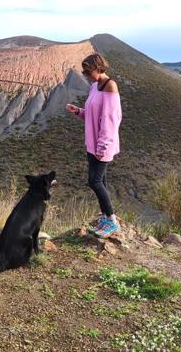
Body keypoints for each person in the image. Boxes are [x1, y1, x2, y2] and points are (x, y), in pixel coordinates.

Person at [65, 52, 123, 238]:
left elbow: (110, 120)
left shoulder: (110, 86)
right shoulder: (95, 86)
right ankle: (106, 216)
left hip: (102, 145)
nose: (86, 74)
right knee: (102, 181)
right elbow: (92, 114)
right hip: (92, 143)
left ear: (98, 68)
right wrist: (78, 111)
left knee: (94, 181)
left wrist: (103, 147)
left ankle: (112, 221)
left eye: (88, 71)